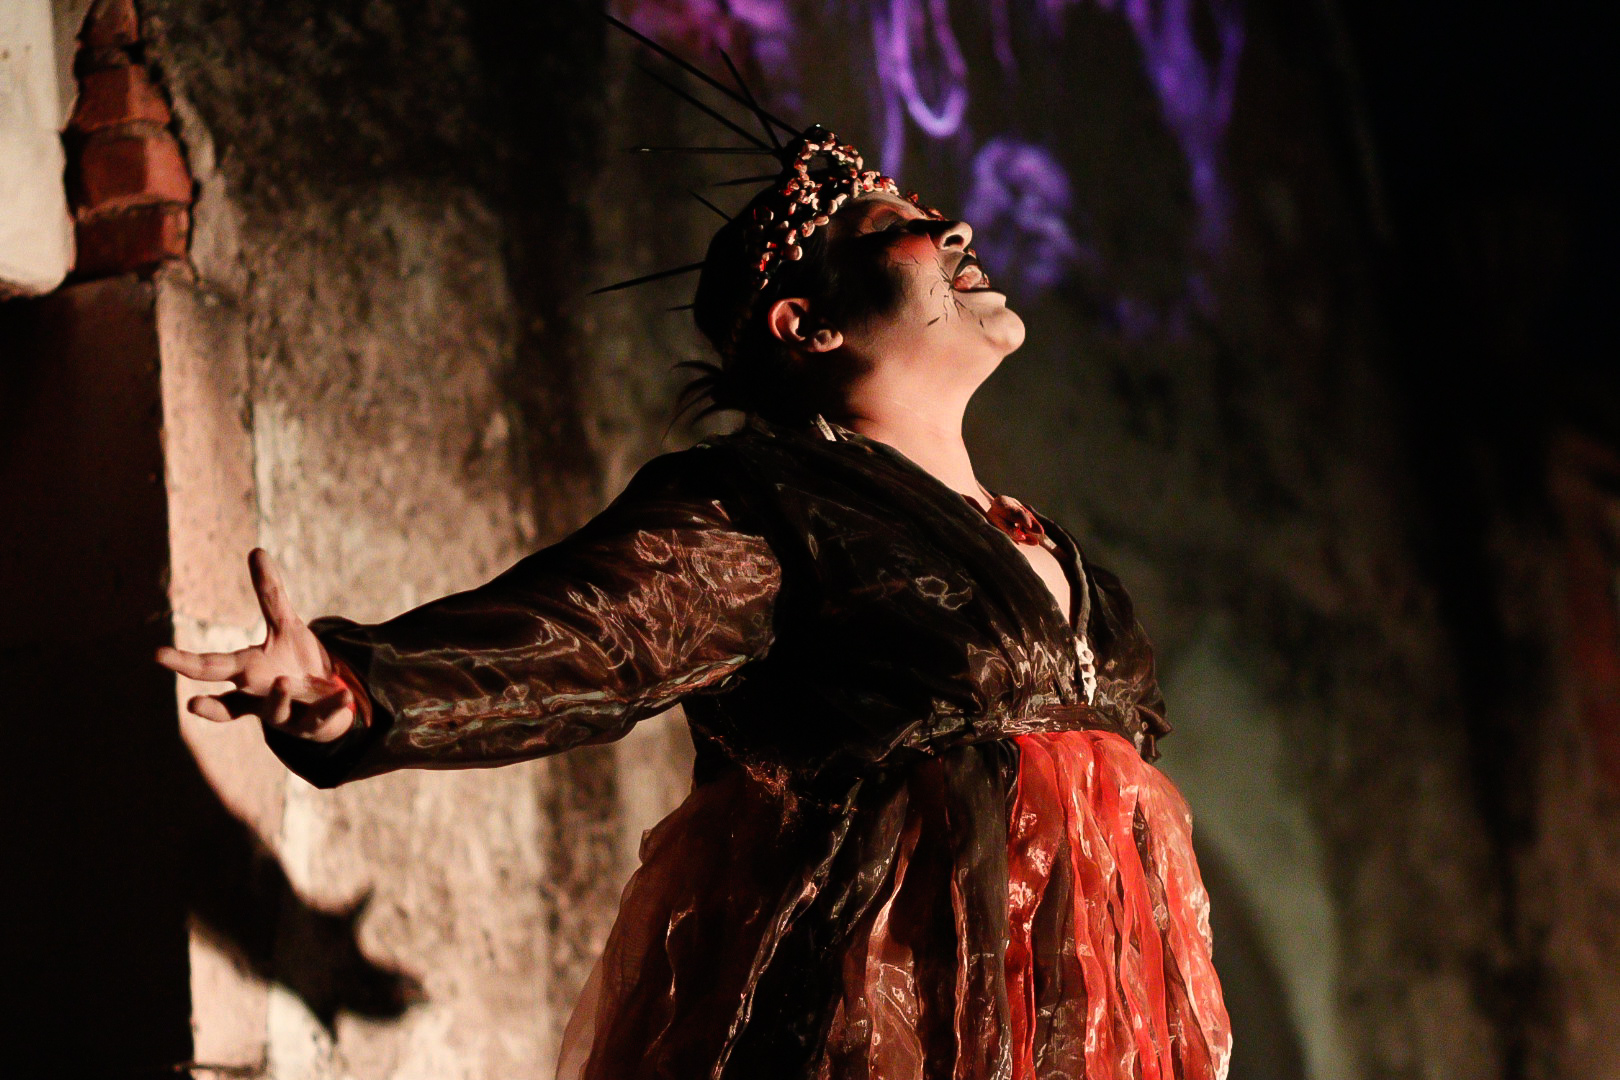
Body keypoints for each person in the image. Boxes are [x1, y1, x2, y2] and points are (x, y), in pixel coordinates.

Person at [158, 127, 1231, 1080]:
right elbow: (598, 636)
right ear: (807, 324)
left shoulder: (1062, 557)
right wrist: (360, 685)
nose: (954, 228)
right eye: (889, 227)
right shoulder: (776, 506)